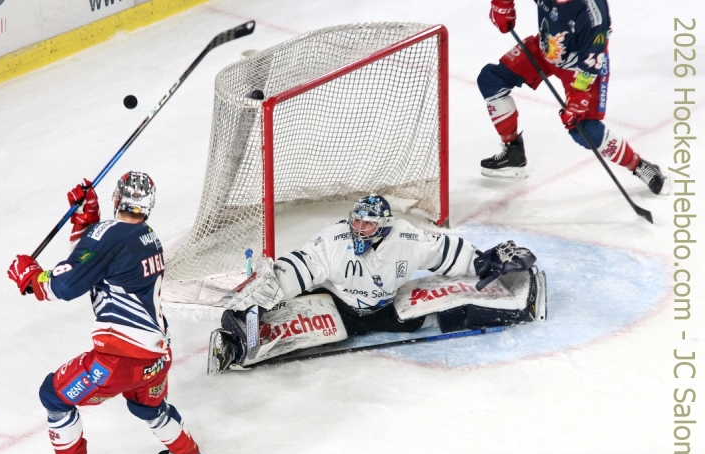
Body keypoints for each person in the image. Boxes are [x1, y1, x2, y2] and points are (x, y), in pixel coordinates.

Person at [7, 172, 208, 454]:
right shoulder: (146, 235)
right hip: (157, 355)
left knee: (53, 395)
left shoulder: (109, 237)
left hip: (119, 358)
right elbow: (93, 259)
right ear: (148, 206)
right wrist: (87, 220)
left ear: (117, 198)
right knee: (149, 408)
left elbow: (67, 285)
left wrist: (32, 277)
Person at [209, 195, 546, 372]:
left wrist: (482, 261)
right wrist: (269, 290)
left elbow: (443, 252)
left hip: (386, 308)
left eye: (368, 225)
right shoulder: (335, 240)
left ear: (383, 227)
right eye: (356, 221)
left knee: (442, 307)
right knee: (302, 331)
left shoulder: (407, 238)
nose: (359, 229)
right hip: (338, 308)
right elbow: (303, 265)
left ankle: (515, 305)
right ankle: (238, 345)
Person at [478, 0, 669, 195]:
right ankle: (513, 153)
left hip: (582, 68)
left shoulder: (593, 13)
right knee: (491, 80)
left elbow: (592, 61)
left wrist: (578, 98)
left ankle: (638, 165)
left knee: (584, 130)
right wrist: (502, 3)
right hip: (549, 48)